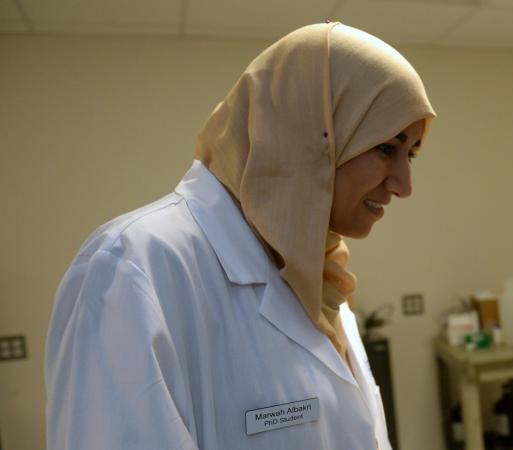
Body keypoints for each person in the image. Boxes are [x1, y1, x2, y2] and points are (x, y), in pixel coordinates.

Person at [44, 22, 434, 450]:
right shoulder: (132, 268)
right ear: (311, 133)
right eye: (386, 148)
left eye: (411, 154)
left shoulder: (321, 276)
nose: (404, 184)